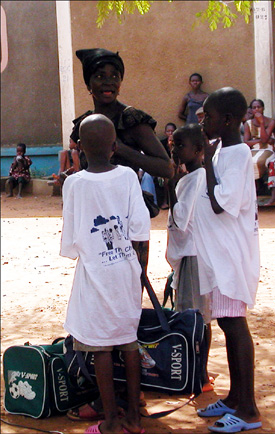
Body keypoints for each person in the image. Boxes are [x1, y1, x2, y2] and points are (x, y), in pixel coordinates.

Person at [67, 47, 173, 421]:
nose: (107, 81)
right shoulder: (83, 124)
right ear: (89, 84)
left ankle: (131, 398)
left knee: (127, 305)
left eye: (114, 74)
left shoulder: (132, 120)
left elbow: (166, 166)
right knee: (99, 311)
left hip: (132, 228)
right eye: (99, 76)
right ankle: (108, 396)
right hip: (98, 234)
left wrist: (122, 149)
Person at [60, 114, 150, 434]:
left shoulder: (73, 183)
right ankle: (135, 419)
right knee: (128, 342)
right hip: (126, 269)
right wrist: (137, 269)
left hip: (95, 273)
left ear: (80, 147)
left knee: (99, 347)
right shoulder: (127, 176)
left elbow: (71, 242)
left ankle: (111, 420)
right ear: (114, 147)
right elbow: (140, 228)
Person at [195, 87, 262, 433]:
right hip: (219, 259)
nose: (201, 119)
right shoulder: (223, 150)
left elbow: (222, 203)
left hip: (232, 259)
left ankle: (248, 409)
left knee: (236, 327)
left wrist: (206, 161)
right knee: (226, 324)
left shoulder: (237, 155)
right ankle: (235, 397)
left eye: (208, 115)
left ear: (230, 120)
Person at [166, 124, 214, 393]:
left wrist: (171, 184)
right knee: (197, 317)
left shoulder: (196, 179)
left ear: (197, 150)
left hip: (194, 256)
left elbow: (181, 219)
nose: (174, 150)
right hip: (190, 255)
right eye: (173, 145)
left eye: (180, 146)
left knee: (195, 318)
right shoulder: (191, 177)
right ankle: (199, 371)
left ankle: (201, 375)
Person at [243, 99, 275, 188]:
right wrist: (259, 140)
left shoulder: (270, 121)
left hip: (267, 149)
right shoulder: (248, 123)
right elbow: (246, 142)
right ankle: (255, 185)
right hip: (254, 150)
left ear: (263, 108)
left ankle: (259, 182)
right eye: (254, 108)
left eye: (259, 107)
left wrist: (261, 122)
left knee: (259, 161)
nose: (257, 109)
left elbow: (265, 140)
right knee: (245, 161)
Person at [159, 122, 177, 210]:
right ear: (165, 132)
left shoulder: (179, 143)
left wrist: (171, 147)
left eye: (172, 131)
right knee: (167, 177)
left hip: (177, 167)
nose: (170, 133)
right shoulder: (161, 144)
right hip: (165, 168)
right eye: (168, 131)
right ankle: (165, 201)